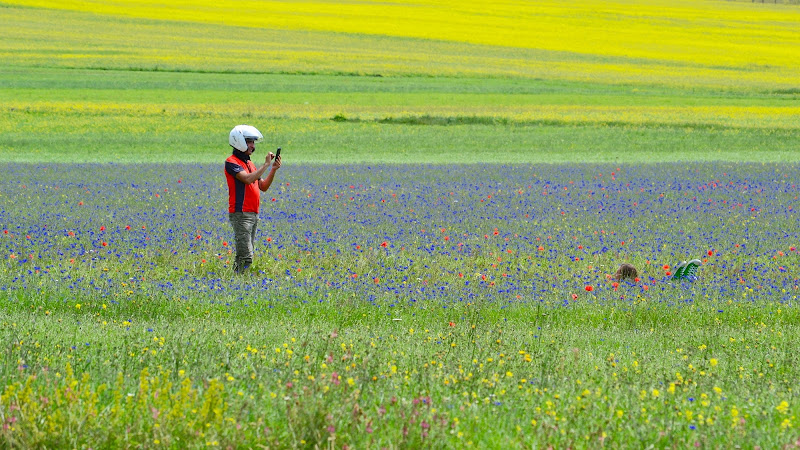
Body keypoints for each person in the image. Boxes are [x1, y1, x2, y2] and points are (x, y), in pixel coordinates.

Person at [224, 125, 281, 274]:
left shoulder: (249, 164)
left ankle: (236, 280)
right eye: (249, 141)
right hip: (241, 214)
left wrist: (272, 169)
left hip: (253, 213)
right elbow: (248, 179)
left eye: (253, 142)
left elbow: (263, 186)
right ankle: (240, 282)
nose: (253, 146)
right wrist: (266, 165)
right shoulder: (232, 162)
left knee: (246, 252)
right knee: (246, 255)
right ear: (239, 141)